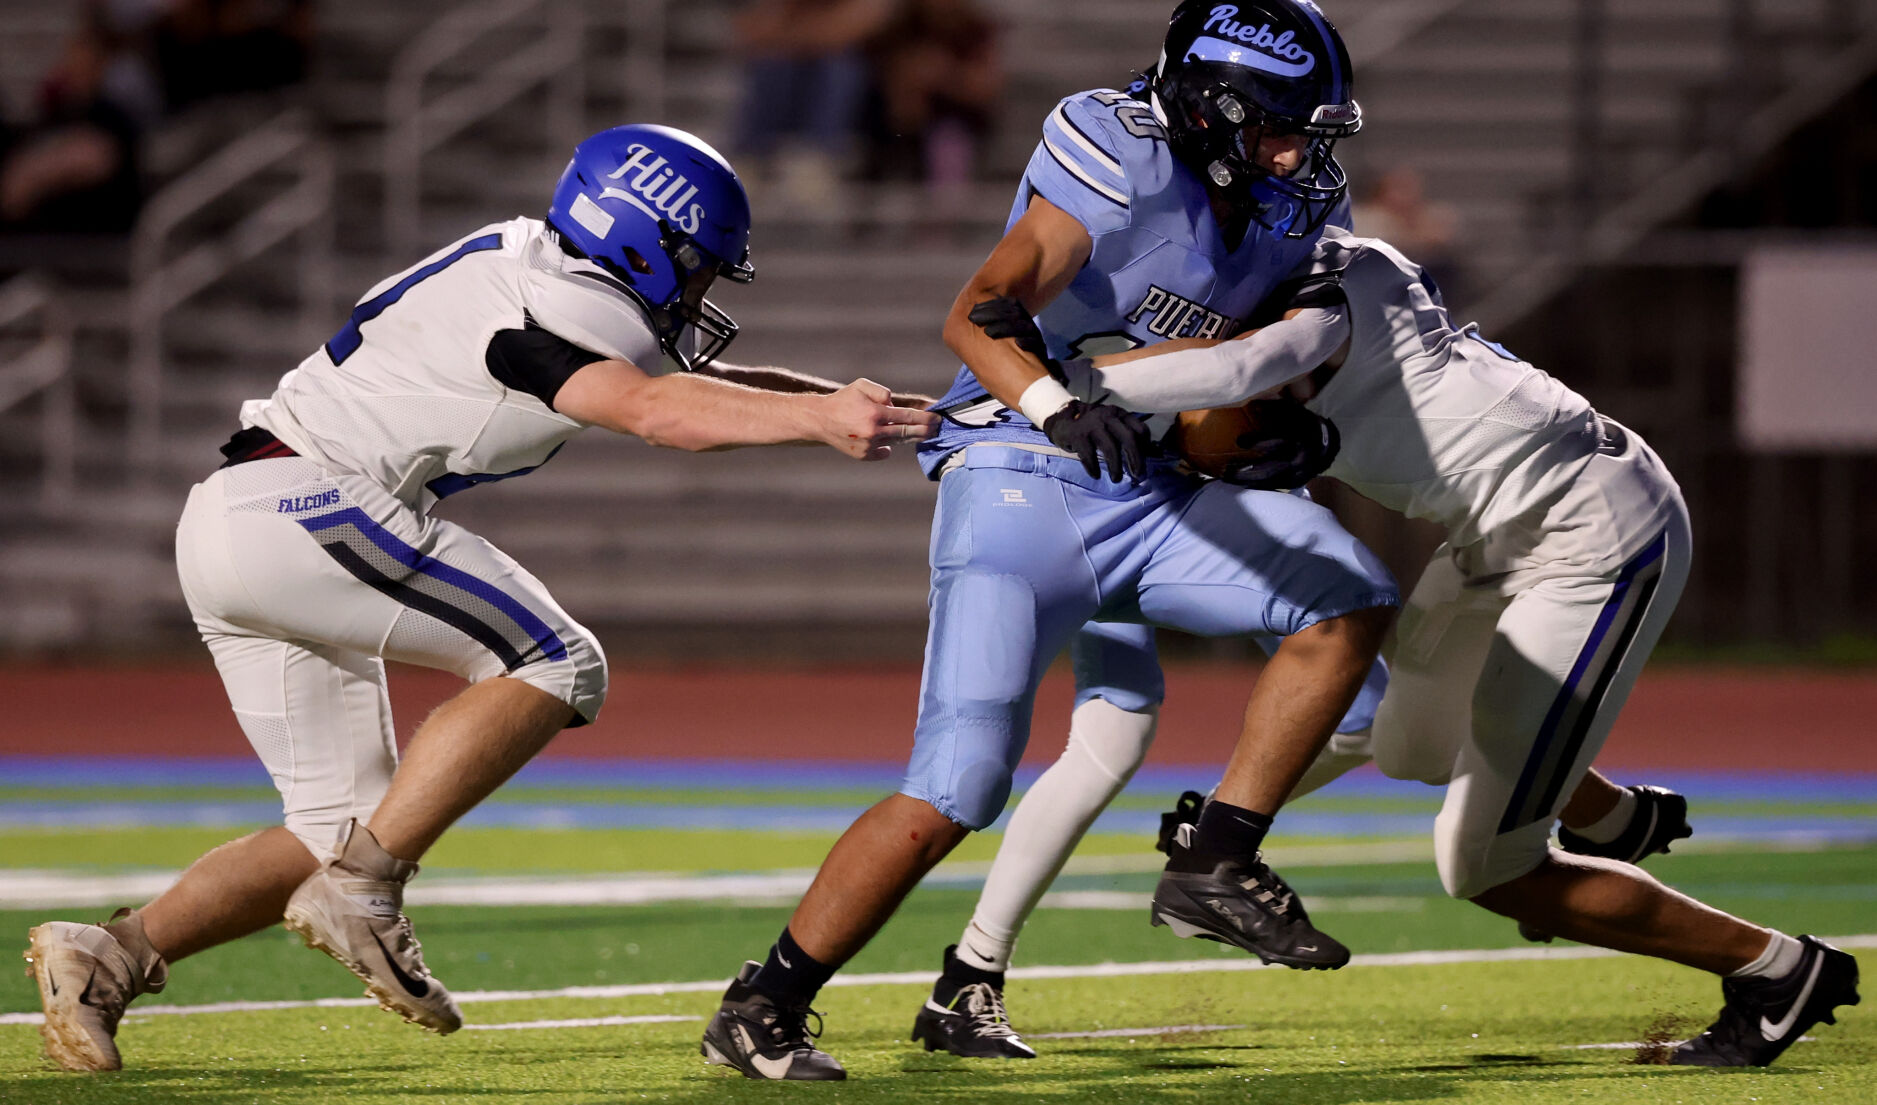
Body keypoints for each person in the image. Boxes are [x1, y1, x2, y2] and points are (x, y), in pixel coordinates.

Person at [21, 123, 938, 1074]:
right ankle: (367, 888)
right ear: (641, 236)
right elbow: (658, 410)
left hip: (239, 513)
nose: (702, 291)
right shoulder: (572, 301)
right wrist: (818, 419)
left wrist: (835, 406)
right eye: (698, 266)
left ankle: (110, 958)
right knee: (557, 660)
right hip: (306, 507)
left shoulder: (534, 262)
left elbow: (671, 382)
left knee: (334, 828)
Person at [702, 1, 1401, 1081]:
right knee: (959, 786)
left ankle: (1211, 861)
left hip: (1150, 487)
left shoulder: (1292, 194)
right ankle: (765, 1001)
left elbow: (1219, 378)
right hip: (1022, 482)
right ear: (1209, 108)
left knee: (1343, 601)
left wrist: (1256, 442)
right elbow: (978, 310)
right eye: (1273, 123)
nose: (1295, 149)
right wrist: (1051, 406)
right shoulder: (1113, 147)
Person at [1044, 225, 1862, 1067]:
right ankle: (1614, 818)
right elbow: (1243, 383)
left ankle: (1777, 970)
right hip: (1494, 540)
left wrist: (1044, 386)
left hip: (1597, 534)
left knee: (1482, 862)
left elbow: (1236, 370)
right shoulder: (1317, 288)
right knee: (1410, 741)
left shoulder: (1324, 293)